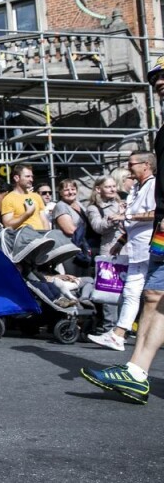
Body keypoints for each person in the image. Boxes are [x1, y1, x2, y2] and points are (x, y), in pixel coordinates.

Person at [80, 56, 164, 405]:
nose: (159, 82)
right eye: (156, 77)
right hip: (160, 228)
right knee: (154, 297)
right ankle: (136, 373)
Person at [87, 151, 157, 352]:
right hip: (136, 248)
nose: (128, 167)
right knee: (131, 291)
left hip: (150, 247)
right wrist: (121, 241)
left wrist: (128, 214)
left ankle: (122, 333)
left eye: (131, 163)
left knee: (151, 293)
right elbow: (131, 220)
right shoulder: (136, 188)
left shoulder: (153, 186)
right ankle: (118, 334)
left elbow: (155, 213)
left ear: (145, 165)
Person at [86, 175, 125, 333]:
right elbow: (98, 227)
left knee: (126, 289)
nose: (112, 189)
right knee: (109, 289)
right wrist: (115, 218)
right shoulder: (93, 208)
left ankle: (124, 327)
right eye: (108, 187)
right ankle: (110, 326)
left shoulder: (121, 203)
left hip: (127, 248)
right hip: (108, 249)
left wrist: (125, 213)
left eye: (113, 186)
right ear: (98, 189)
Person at [51, 179, 91, 276]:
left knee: (86, 277)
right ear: (60, 192)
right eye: (66, 190)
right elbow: (70, 230)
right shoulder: (61, 206)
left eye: (73, 189)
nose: (70, 192)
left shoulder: (78, 204)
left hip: (82, 247)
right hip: (70, 250)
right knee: (74, 278)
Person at [1, 165, 49, 231]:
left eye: (32, 176)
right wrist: (27, 213)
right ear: (16, 178)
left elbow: (44, 221)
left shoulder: (36, 196)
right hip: (24, 238)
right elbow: (8, 225)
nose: (31, 179)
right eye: (27, 176)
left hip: (41, 236)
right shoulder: (8, 199)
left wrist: (47, 235)